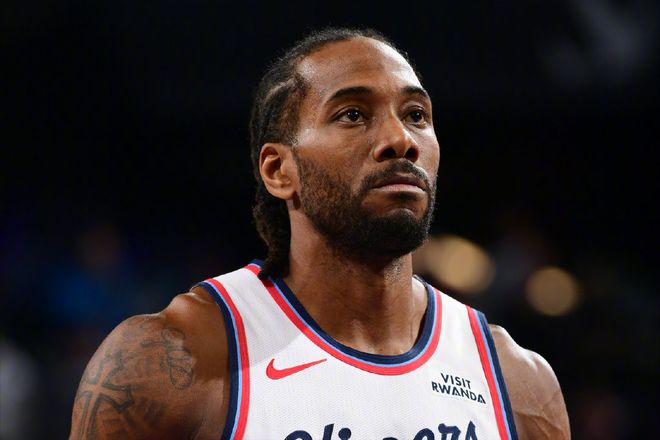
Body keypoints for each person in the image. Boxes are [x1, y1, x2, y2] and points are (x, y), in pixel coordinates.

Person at [69, 28, 570, 440]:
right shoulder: (171, 364)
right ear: (278, 171)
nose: (401, 140)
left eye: (416, 115)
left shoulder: (518, 383)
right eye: (353, 115)